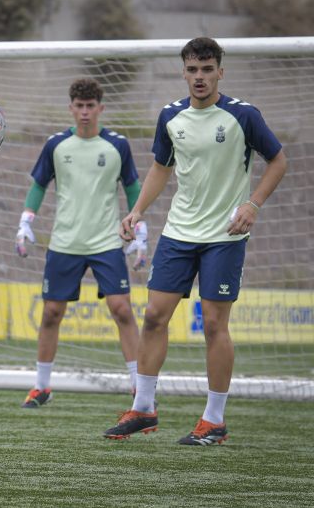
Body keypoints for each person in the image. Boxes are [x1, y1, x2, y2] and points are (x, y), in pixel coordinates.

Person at [103, 37, 287, 445]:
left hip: (225, 235)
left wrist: (253, 205)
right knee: (153, 316)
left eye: (207, 69)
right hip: (178, 233)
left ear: (221, 71)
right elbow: (160, 167)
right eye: (192, 70)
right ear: (183, 72)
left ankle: (214, 420)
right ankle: (143, 409)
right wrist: (136, 211)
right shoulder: (171, 116)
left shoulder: (243, 115)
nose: (199, 77)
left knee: (215, 326)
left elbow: (278, 160)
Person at [16, 78, 144, 408]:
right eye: (79, 105)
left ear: (100, 108)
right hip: (65, 242)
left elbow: (132, 188)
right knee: (51, 314)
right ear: (71, 108)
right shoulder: (56, 144)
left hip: (106, 242)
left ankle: (138, 386)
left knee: (122, 310)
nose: (85, 112)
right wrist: (26, 221)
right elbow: (38, 185)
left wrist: (139, 228)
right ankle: (42, 387)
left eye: (90, 106)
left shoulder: (117, 145)